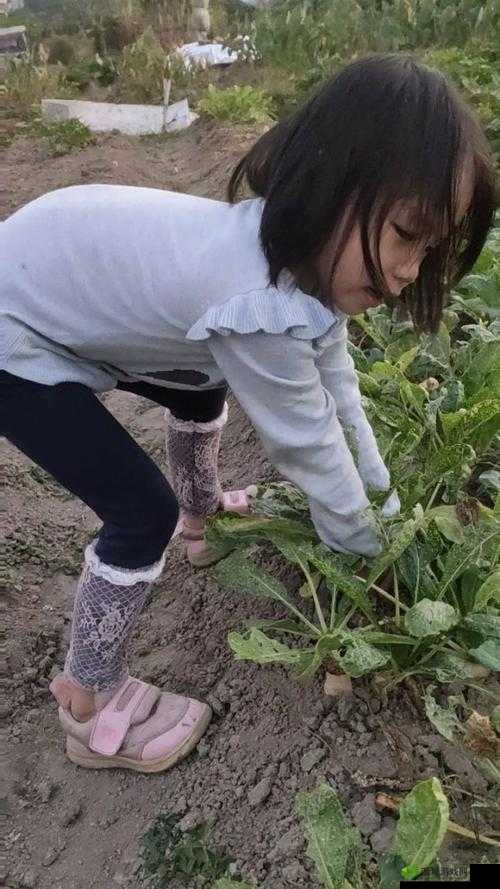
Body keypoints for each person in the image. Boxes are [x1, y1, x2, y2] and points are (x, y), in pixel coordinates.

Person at [0, 55, 495, 773]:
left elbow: (340, 392)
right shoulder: (255, 304)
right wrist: (378, 562)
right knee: (141, 512)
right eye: (406, 235)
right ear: (333, 188)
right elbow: (309, 444)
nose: (410, 270)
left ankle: (205, 513)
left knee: (200, 384)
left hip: (44, 277)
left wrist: (384, 505)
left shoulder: (297, 267)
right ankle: (88, 699)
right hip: (12, 334)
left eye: (431, 249)